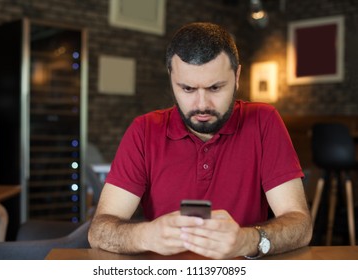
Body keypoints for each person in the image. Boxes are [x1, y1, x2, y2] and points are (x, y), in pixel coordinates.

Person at [88, 22, 312, 259]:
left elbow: (301, 226)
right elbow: (98, 232)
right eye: (187, 88)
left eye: (215, 87)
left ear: (236, 77)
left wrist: (249, 240)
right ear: (171, 78)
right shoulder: (143, 131)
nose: (202, 105)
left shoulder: (264, 121)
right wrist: (146, 235)